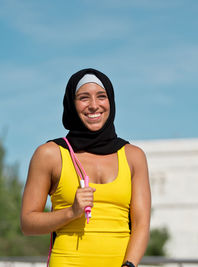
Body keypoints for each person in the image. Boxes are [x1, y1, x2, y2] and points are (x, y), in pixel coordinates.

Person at [20, 68, 151, 267]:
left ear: (111, 102)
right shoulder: (49, 154)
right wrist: (71, 212)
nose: (93, 105)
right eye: (83, 98)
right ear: (71, 104)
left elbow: (141, 224)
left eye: (101, 96)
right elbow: (27, 224)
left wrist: (129, 265)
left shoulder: (133, 156)